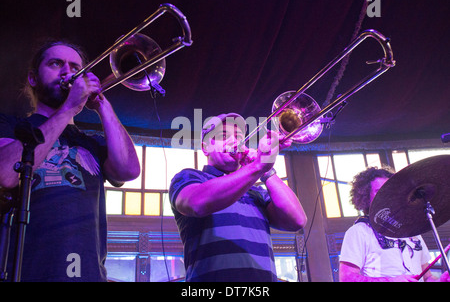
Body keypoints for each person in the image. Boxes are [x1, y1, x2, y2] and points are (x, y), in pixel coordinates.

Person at [0, 39, 140, 281]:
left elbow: (128, 171)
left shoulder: (91, 141)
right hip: (25, 272)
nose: (68, 72)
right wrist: (69, 109)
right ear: (33, 78)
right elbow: (7, 174)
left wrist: (102, 104)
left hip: (88, 274)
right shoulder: (11, 126)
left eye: (76, 68)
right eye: (56, 63)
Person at [169, 113, 307, 282]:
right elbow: (197, 203)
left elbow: (297, 220)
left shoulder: (256, 191)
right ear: (206, 147)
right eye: (223, 136)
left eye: (239, 137)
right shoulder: (189, 177)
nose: (234, 142)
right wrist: (257, 166)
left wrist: (266, 170)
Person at [339, 166, 450, 282]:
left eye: (390, 191)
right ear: (366, 197)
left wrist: (441, 280)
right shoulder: (359, 232)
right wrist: (389, 281)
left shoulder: (412, 232)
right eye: (379, 191)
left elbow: (427, 277)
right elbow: (347, 278)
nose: (386, 195)